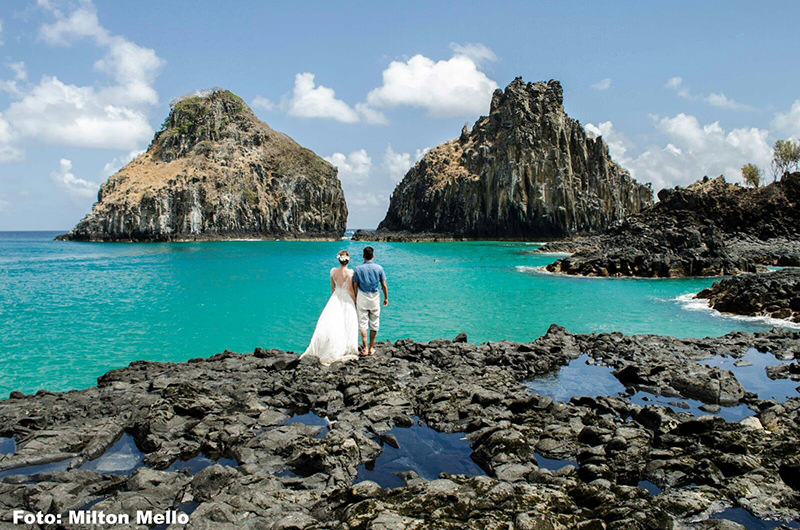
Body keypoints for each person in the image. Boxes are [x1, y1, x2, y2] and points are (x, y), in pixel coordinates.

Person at [300, 250, 359, 365]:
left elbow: (333, 288)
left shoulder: (333, 271)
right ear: (348, 260)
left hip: (335, 297)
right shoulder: (350, 272)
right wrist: (355, 301)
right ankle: (347, 346)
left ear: (339, 259)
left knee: (333, 322)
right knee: (347, 322)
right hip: (346, 298)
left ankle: (329, 344)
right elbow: (351, 290)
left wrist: (334, 299)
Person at [352, 246, 388, 356]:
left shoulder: (357, 269)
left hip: (362, 297)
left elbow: (355, 285)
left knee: (362, 323)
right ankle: (372, 347)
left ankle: (365, 348)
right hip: (375, 297)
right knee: (374, 322)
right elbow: (383, 285)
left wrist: (355, 298)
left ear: (363, 256)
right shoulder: (379, 268)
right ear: (373, 255)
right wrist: (386, 297)